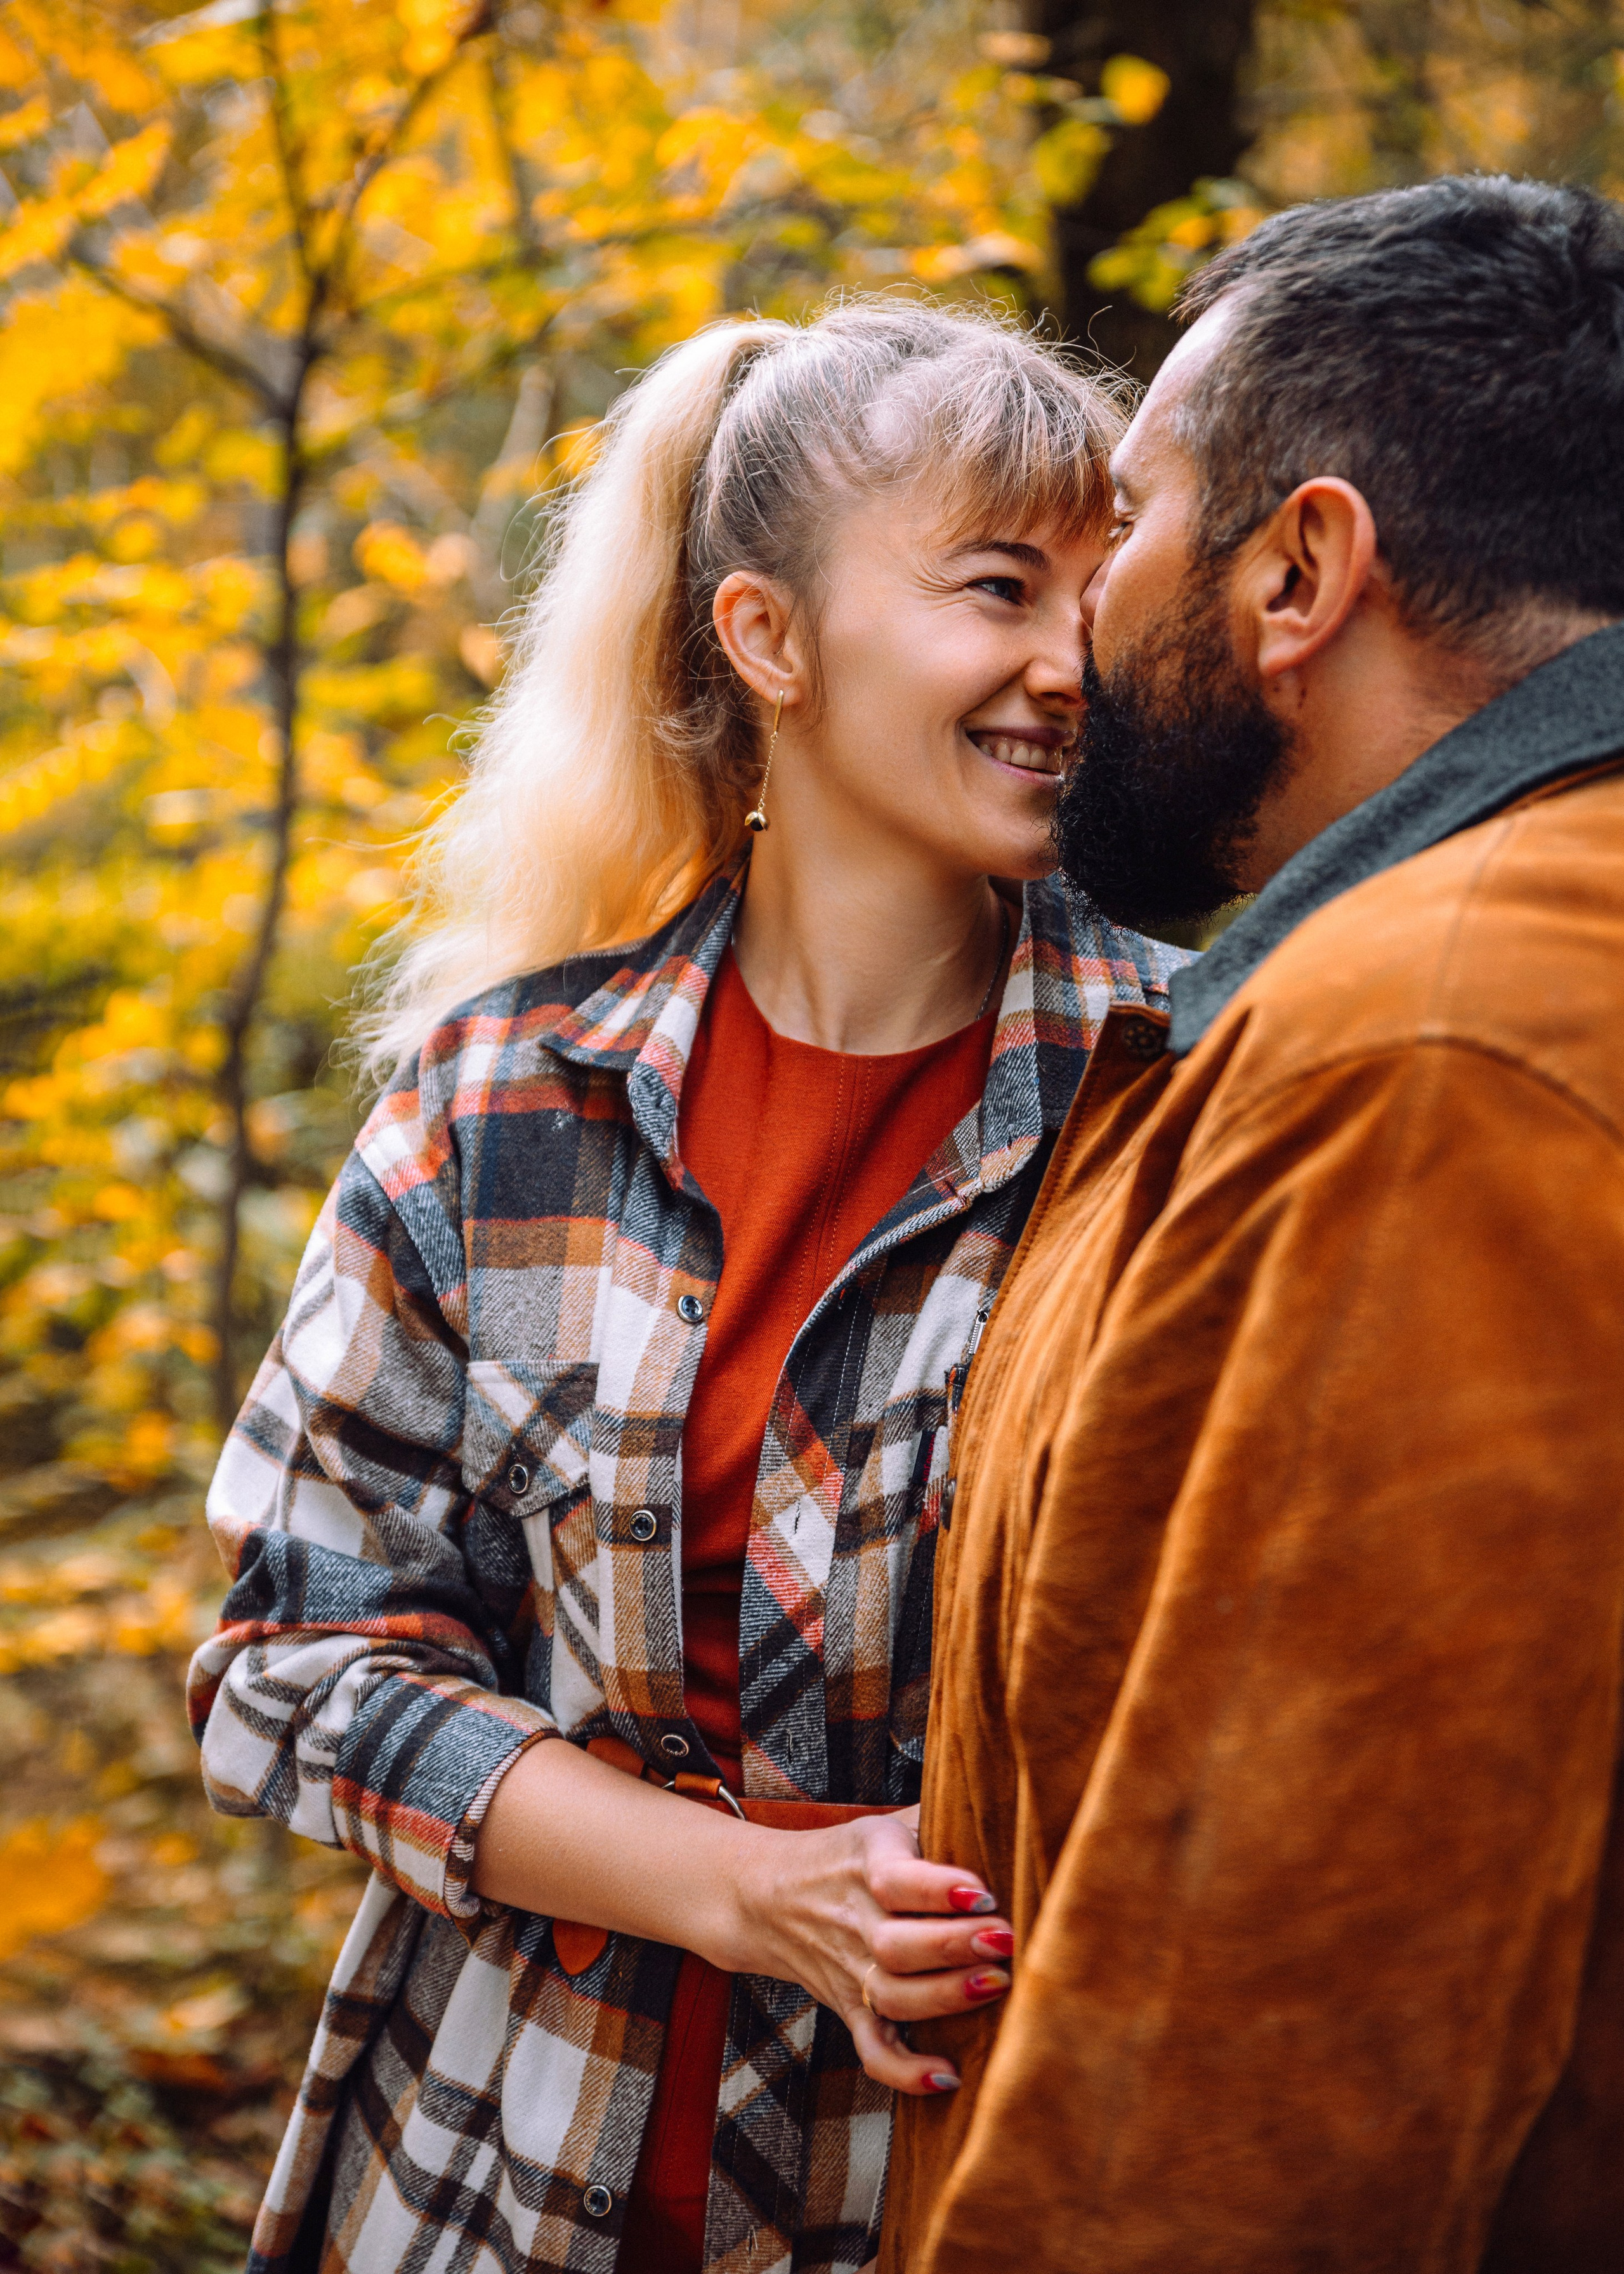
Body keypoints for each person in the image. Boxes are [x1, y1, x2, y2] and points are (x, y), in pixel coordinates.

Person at [186, 300, 1185, 2274]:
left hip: (949, 2187)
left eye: (1105, 586)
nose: (1073, 664)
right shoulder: (501, 1104)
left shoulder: (1182, 1095)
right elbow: (283, 1669)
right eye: (1000, 587)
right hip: (498, 2166)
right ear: (770, 639)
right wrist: (734, 1888)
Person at [881, 177, 1624, 2274]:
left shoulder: (1443, 1050)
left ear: (1300, 570)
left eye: (1125, 524)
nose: (1074, 618)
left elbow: (1273, 2035)